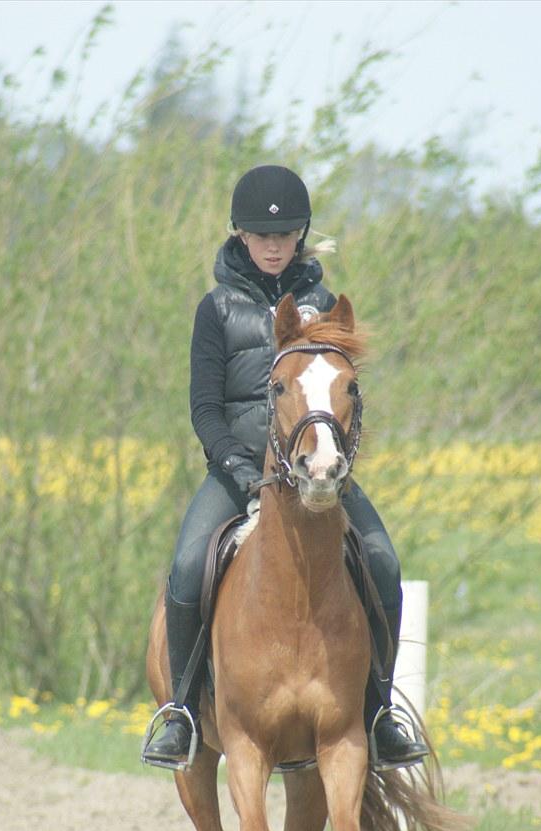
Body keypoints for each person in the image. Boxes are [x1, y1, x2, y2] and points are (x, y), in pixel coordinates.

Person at [143, 164, 428, 772]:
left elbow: (344, 398)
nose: (273, 246)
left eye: (285, 235)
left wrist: (337, 462)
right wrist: (235, 464)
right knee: (190, 565)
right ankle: (184, 713)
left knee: (382, 561)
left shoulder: (323, 306)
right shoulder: (215, 310)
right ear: (240, 236)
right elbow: (204, 405)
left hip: (318, 470)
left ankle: (379, 713)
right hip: (236, 472)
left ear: (300, 237)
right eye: (261, 236)